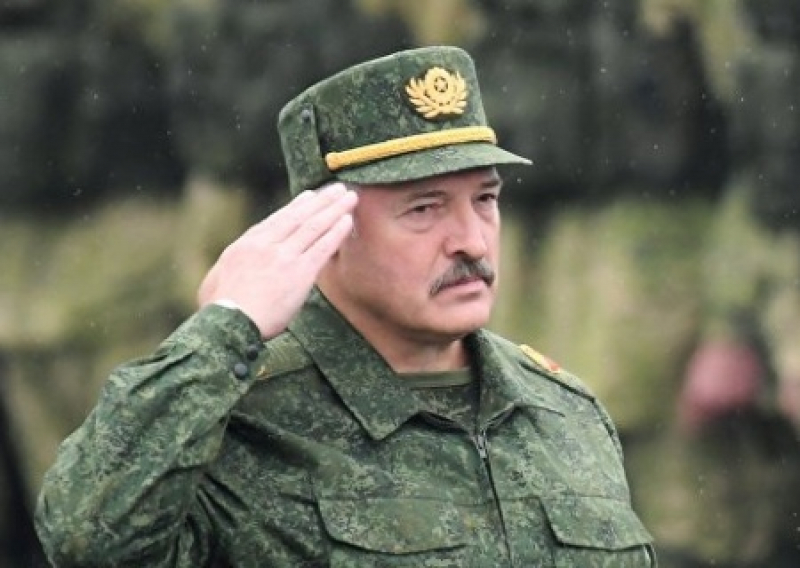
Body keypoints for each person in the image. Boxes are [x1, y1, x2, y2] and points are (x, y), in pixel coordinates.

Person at [35, 46, 654, 567]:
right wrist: (225, 328)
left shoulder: (563, 411)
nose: (471, 240)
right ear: (326, 229)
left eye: (485, 200)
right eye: (425, 208)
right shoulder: (238, 420)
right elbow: (86, 540)